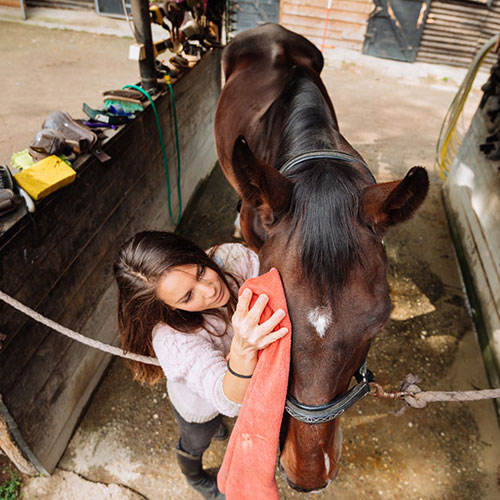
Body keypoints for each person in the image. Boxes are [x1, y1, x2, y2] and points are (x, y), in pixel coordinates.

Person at [113, 231, 288, 500]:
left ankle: (217, 431)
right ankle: (194, 476)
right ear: (166, 309)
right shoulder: (172, 339)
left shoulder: (230, 256)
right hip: (199, 406)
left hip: (239, 382)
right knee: (197, 439)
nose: (210, 289)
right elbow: (227, 401)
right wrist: (243, 348)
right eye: (187, 297)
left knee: (220, 424)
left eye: (200, 270)